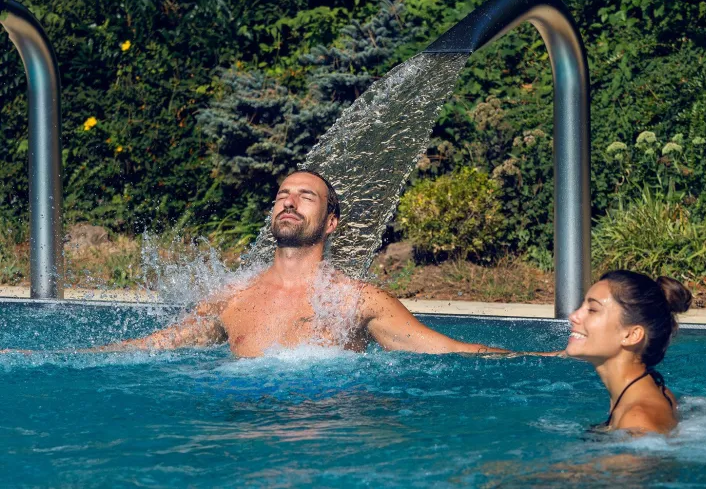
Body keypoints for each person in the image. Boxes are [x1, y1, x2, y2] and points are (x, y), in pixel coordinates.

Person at [3, 170, 509, 358]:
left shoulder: (357, 301)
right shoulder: (233, 296)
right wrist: (40, 356)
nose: (288, 202)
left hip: (331, 436)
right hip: (247, 430)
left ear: (330, 222)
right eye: (282, 195)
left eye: (305, 196)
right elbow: (153, 346)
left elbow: (449, 351)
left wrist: (543, 361)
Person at [566, 270, 691, 435]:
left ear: (631, 335)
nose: (573, 316)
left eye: (592, 310)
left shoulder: (636, 420)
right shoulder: (654, 389)